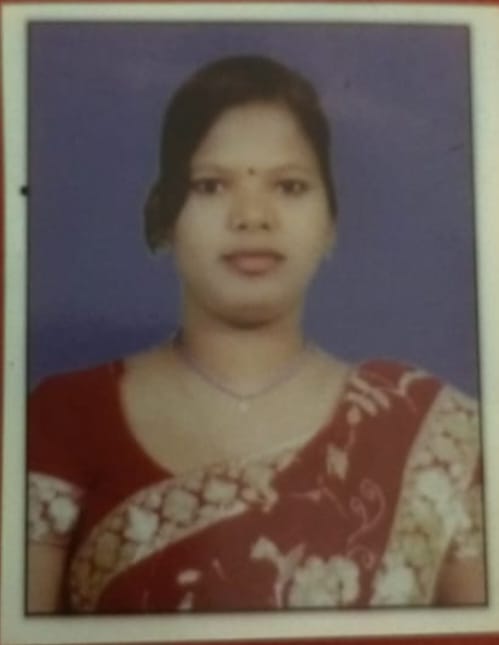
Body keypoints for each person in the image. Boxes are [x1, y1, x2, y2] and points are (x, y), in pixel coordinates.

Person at [27, 55, 485, 613]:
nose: (252, 216)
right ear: (167, 215)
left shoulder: (433, 430)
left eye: (289, 186)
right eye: (211, 186)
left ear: (330, 222)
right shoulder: (64, 418)